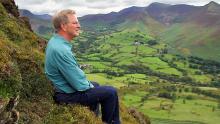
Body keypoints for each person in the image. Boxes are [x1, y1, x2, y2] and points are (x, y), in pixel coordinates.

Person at [44, 9, 120, 124]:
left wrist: (91, 86)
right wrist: (90, 87)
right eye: (74, 23)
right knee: (111, 92)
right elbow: (80, 85)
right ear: (64, 26)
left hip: (61, 89)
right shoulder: (61, 50)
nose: (79, 26)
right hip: (64, 95)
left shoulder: (56, 41)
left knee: (97, 85)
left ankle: (92, 117)